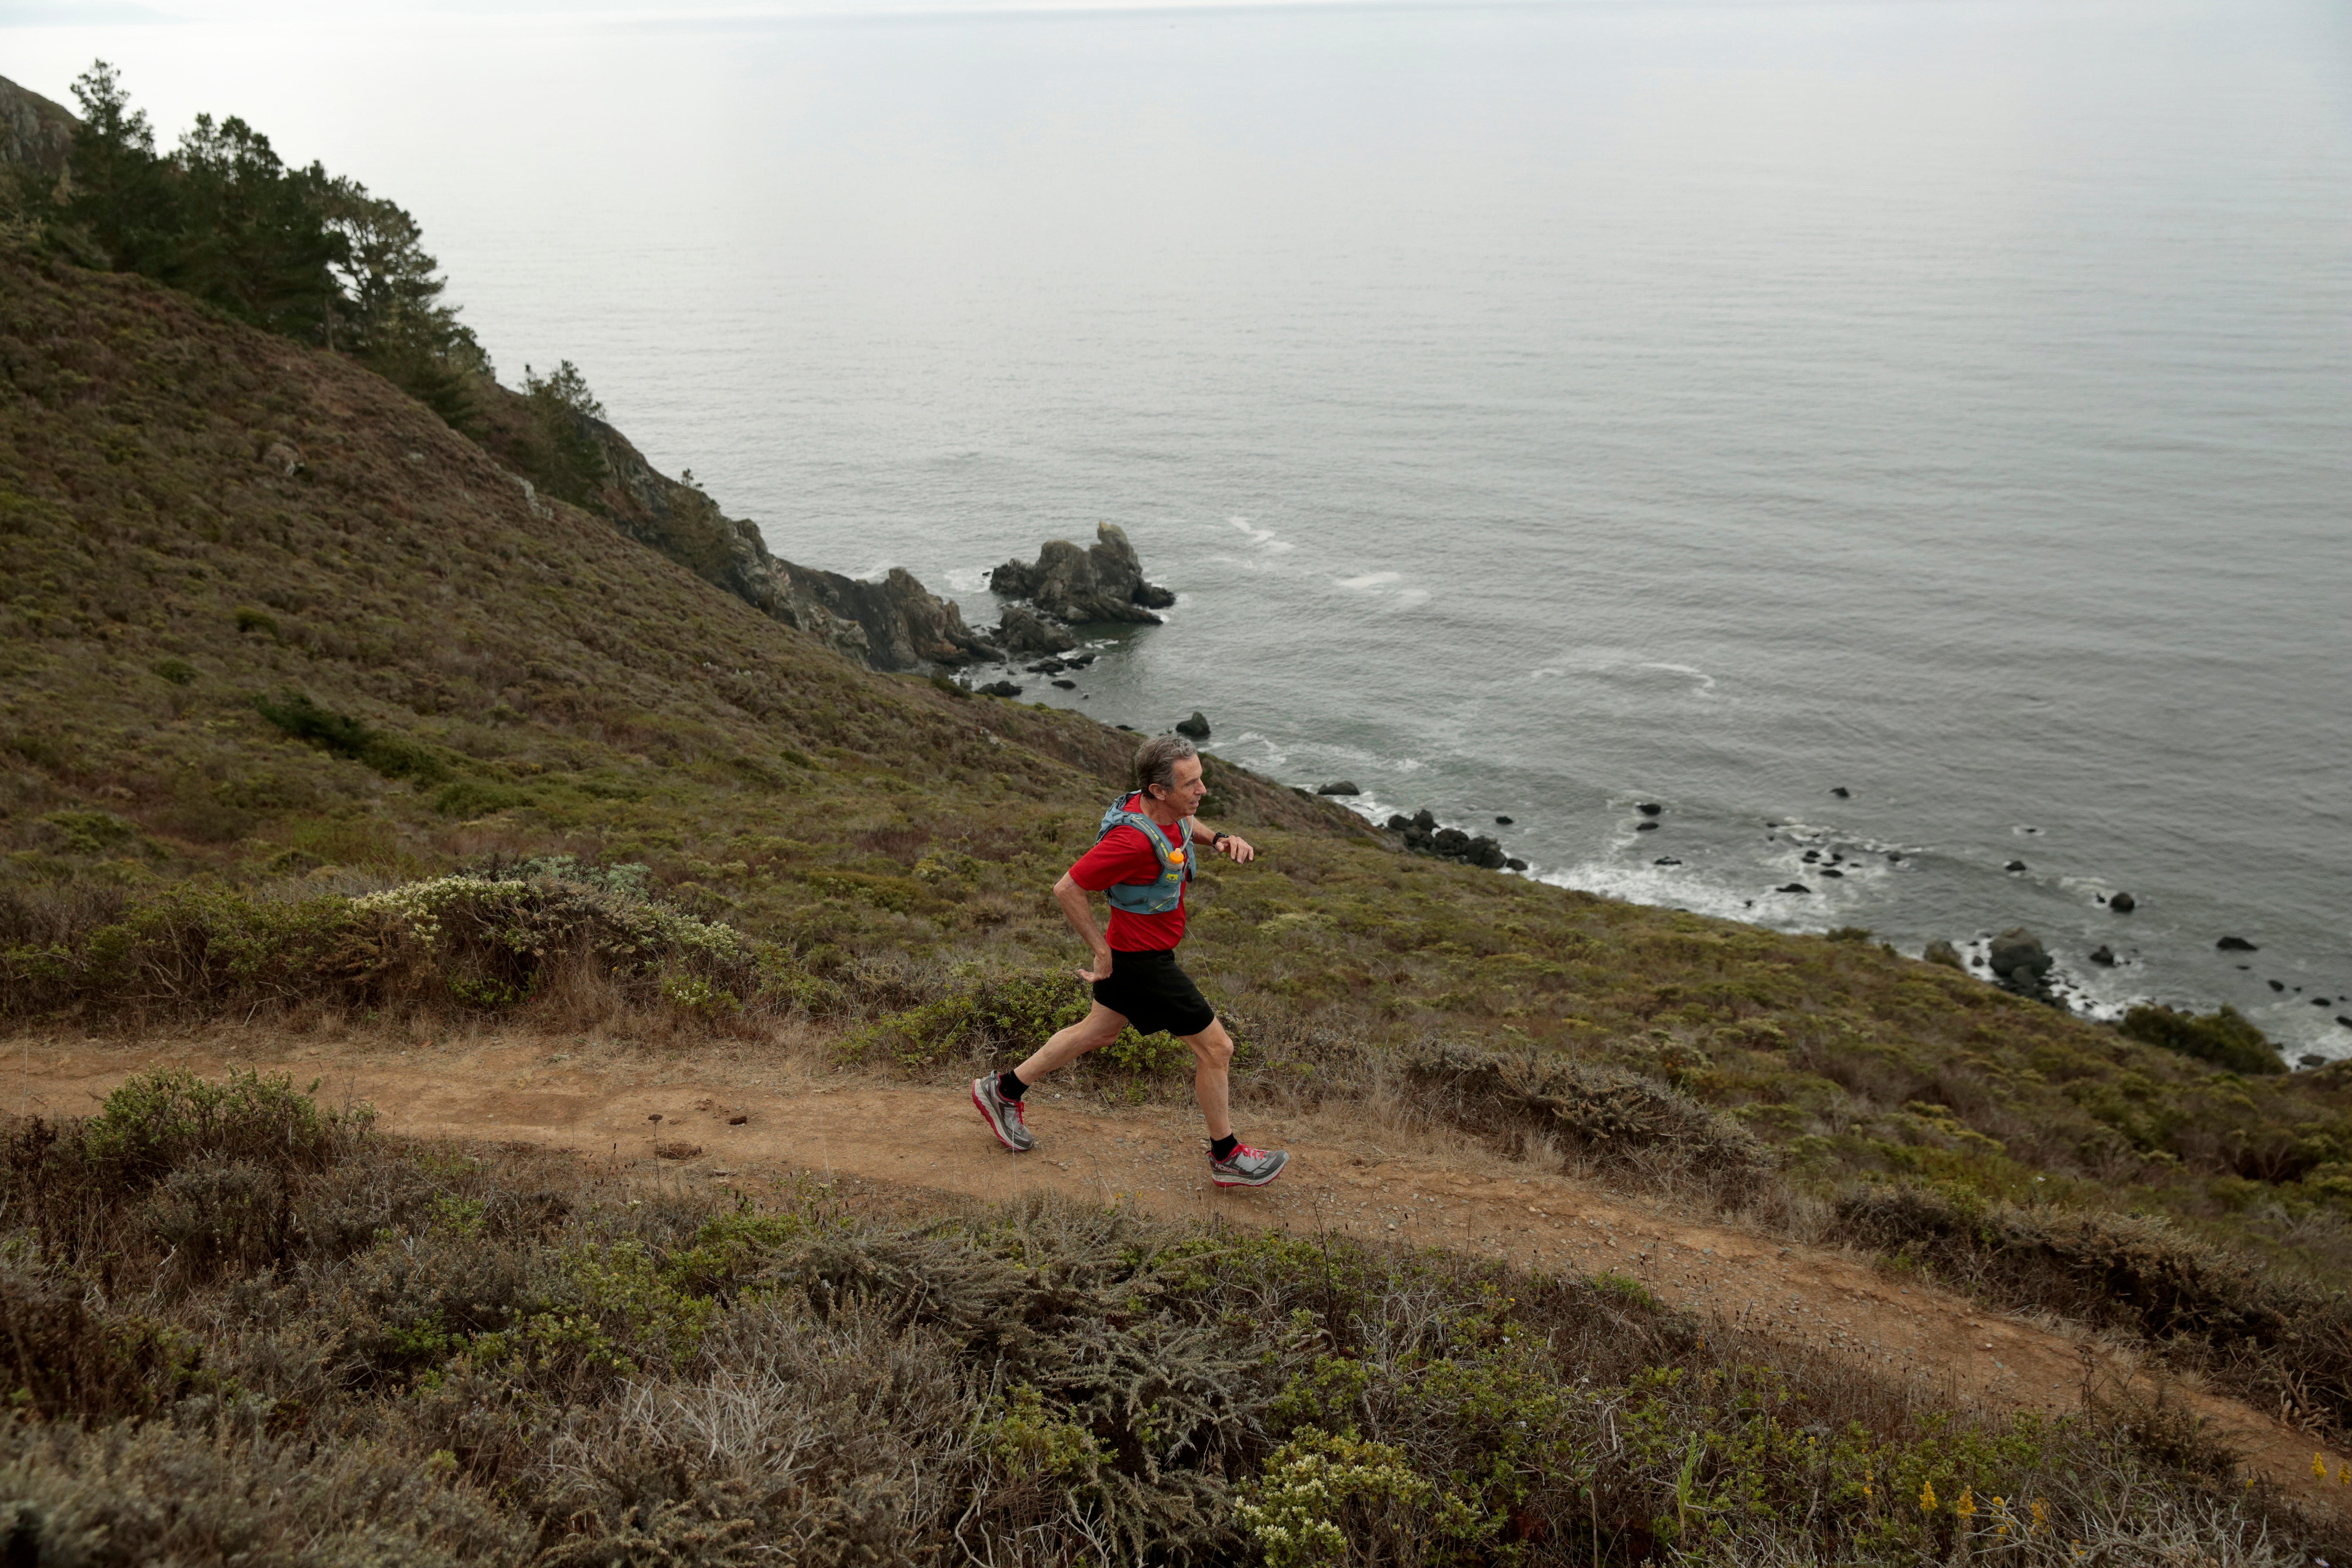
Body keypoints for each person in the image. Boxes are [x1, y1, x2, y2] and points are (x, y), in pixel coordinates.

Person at [971, 733, 1289, 1187]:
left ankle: (1002, 1091)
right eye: (1191, 785)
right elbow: (1067, 888)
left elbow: (1182, 825)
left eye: (1201, 780)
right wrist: (1102, 952)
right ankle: (1227, 1155)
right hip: (1142, 962)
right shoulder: (1130, 843)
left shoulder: (1162, 810)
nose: (1202, 791)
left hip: (1136, 953)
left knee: (1095, 1033)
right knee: (1218, 1049)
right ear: (1159, 791)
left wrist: (1218, 838)